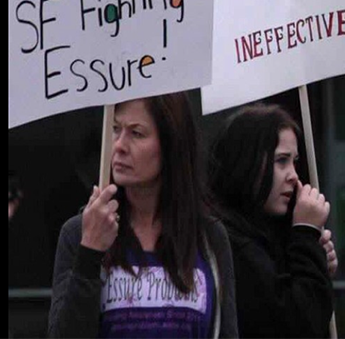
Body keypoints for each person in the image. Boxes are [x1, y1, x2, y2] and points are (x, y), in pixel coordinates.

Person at [48, 93, 238, 338]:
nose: (119, 145)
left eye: (136, 133)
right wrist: (90, 252)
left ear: (171, 143)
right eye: (115, 129)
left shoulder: (208, 237)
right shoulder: (79, 233)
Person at [208, 103, 336, 338]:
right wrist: (306, 233)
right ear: (246, 162)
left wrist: (313, 262)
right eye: (281, 161)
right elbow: (298, 324)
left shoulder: (269, 232)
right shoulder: (228, 240)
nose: (294, 176)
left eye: (294, 161)